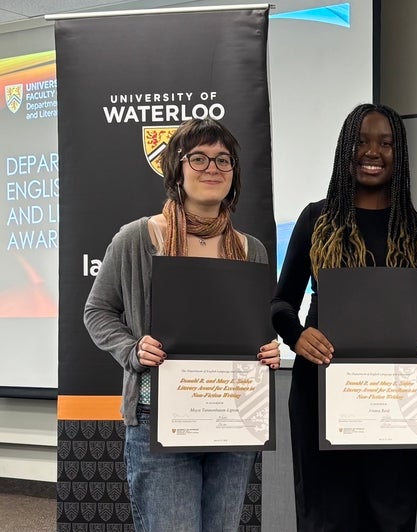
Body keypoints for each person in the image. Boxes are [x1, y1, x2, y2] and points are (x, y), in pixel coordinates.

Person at [84, 118, 280, 532]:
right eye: (199, 158)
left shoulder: (252, 250)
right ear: (177, 166)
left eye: (223, 160)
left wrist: (267, 348)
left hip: (232, 418)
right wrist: (133, 350)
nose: (212, 168)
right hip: (160, 419)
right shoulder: (137, 239)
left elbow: (254, 327)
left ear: (235, 173)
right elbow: (97, 312)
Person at [271, 103, 417, 531]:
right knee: (326, 519)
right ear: (345, 149)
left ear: (400, 154)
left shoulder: (415, 229)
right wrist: (297, 335)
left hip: (396, 402)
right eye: (362, 141)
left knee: (391, 518)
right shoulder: (317, 219)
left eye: (386, 143)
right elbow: (279, 304)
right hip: (321, 394)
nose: (373, 152)